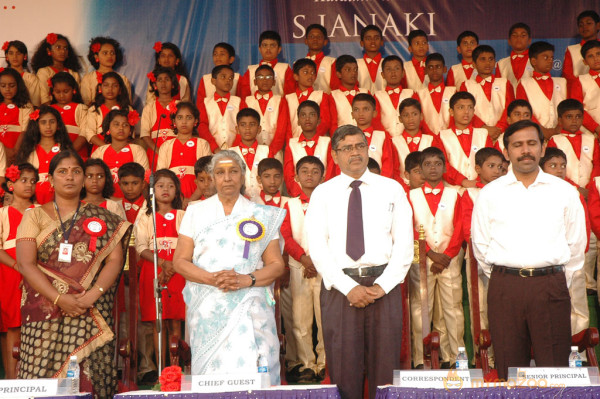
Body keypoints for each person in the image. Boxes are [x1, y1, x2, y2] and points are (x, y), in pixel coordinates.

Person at [471, 119, 587, 379]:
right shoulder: (490, 193)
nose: (525, 150)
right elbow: (481, 245)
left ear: (543, 148)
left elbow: (577, 244)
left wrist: (555, 277)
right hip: (505, 289)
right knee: (510, 368)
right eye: (518, 145)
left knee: (555, 368)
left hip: (551, 286)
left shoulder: (564, 192)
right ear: (507, 151)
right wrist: (507, 277)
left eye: (532, 143)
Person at [305, 125, 413, 399]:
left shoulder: (392, 189)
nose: (355, 152)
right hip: (340, 289)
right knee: (343, 366)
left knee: (385, 366)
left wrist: (383, 286)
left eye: (360, 146)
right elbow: (317, 247)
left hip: (383, 286)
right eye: (347, 148)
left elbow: (404, 244)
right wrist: (348, 287)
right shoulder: (322, 193)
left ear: (368, 149)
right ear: (335, 155)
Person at [16, 150, 132, 397]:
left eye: (76, 171)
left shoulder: (104, 219)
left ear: (83, 179)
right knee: (40, 376)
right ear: (51, 179)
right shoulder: (33, 216)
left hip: (89, 308)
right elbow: (26, 264)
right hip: (43, 311)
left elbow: (115, 259)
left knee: (91, 377)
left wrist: (91, 296)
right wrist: (60, 299)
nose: (70, 177)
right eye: (62, 171)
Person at [173, 150, 285, 384]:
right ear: (212, 177)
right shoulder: (195, 211)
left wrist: (246, 279)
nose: (227, 178)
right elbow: (180, 261)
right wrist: (212, 278)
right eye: (220, 172)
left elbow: (276, 265)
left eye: (233, 171)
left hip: (250, 300)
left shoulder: (261, 214)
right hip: (208, 303)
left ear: (243, 176)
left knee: (256, 373)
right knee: (212, 378)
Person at [408, 147, 465, 369]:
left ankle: (455, 356)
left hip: (450, 259)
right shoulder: (410, 196)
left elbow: (460, 227)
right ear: (420, 169)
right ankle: (421, 358)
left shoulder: (454, 194)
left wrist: (446, 256)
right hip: (421, 259)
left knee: (453, 308)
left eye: (437, 164)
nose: (433, 168)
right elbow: (408, 227)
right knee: (420, 308)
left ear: (444, 167)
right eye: (428, 164)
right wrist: (431, 254)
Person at [281, 156, 326, 383]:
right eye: (304, 171)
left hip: (323, 268)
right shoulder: (289, 204)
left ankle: (325, 363)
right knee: (300, 319)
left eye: (315, 171)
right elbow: (286, 236)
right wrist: (302, 258)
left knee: (324, 317)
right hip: (299, 266)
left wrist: (315, 261)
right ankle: (307, 364)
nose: (309, 175)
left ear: (323, 176)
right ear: (296, 177)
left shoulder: (329, 203)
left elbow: (333, 235)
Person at [136, 169, 186, 369]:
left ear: (177, 191)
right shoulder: (146, 217)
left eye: (171, 186)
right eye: (160, 186)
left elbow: (188, 243)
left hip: (179, 270)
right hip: (153, 270)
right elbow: (141, 247)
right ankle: (160, 370)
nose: (166, 189)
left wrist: (172, 266)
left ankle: (176, 368)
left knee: (175, 320)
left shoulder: (183, 215)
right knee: (159, 322)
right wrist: (164, 264)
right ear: (151, 190)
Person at [540, 147, 590, 342]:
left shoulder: (573, 192)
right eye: (553, 165)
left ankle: (579, 346)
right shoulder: (536, 193)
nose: (559, 170)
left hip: (572, 255)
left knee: (577, 301)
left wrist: (579, 253)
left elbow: (583, 225)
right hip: (549, 258)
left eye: (562, 166)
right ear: (542, 167)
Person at [0, 163, 37, 379]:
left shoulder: (41, 210)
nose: (29, 185)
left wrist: (31, 271)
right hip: (10, 272)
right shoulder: (3, 213)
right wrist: (19, 267)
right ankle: (12, 381)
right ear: (11, 184)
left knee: (37, 323)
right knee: (13, 325)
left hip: (37, 272)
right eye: (24, 180)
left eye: (33, 181)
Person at [16, 105, 75, 204]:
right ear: (36, 125)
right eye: (43, 122)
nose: (48, 126)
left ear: (58, 124)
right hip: (33, 201)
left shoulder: (65, 149)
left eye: (52, 122)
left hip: (62, 200)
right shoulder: (28, 150)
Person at [156, 102, 211, 199]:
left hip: (198, 197)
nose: (184, 121)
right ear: (174, 121)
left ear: (195, 121)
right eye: (180, 117)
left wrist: (191, 200)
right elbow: (161, 177)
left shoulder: (202, 144)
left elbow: (207, 177)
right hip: (172, 198)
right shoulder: (166, 146)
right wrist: (178, 200)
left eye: (189, 117)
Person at [438, 92, 494, 187]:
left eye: (470, 107)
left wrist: (478, 182)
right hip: (452, 190)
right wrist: (463, 181)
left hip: (481, 187)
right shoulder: (442, 136)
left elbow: (490, 161)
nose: (466, 111)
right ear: (451, 111)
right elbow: (441, 164)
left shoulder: (483, 134)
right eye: (461, 107)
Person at [91, 109, 149, 198]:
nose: (121, 128)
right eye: (116, 124)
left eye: (125, 125)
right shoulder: (100, 152)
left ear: (130, 130)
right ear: (108, 129)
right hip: (106, 201)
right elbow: (92, 179)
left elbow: (145, 179)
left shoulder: (137, 150)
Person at [460, 45, 513, 140]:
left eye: (491, 59)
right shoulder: (466, 85)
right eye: (483, 59)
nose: (487, 63)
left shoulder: (505, 83)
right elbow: (464, 110)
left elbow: (510, 108)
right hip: (476, 134)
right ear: (474, 64)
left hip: (502, 134)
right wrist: (483, 128)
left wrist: (499, 129)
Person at [516, 41, 566, 138]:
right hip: (535, 133)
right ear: (534, 61)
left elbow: (566, 108)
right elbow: (523, 110)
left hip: (559, 133)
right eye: (545, 57)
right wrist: (540, 129)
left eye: (552, 58)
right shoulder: (524, 83)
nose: (550, 60)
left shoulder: (562, 82)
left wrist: (559, 127)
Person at [284, 100, 335, 196]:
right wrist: (299, 194)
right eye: (303, 115)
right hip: (299, 196)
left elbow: (331, 171)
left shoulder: (328, 142)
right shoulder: (291, 144)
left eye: (312, 115)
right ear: (298, 121)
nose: (307, 119)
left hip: (324, 194)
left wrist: (324, 192)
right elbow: (288, 174)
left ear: (319, 120)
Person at [199, 65, 247, 151]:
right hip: (211, 149)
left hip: (236, 149)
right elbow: (202, 126)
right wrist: (214, 147)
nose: (228, 81)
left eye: (231, 78)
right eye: (223, 77)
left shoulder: (239, 102)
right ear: (213, 81)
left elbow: (243, 125)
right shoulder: (205, 103)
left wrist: (235, 147)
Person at [351, 94, 398, 180]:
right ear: (352, 114)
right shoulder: (347, 137)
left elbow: (388, 164)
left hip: (378, 183)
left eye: (366, 109)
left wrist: (381, 184)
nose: (361, 113)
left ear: (374, 113)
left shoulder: (382, 136)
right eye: (356, 110)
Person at [244, 65, 289, 156]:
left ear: (274, 82)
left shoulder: (280, 101)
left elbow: (282, 129)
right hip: (252, 151)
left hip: (275, 152)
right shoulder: (246, 101)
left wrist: (272, 150)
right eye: (260, 77)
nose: (265, 80)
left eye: (269, 77)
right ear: (255, 81)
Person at [236, 30, 295, 98]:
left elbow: (290, 94)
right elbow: (244, 95)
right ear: (260, 49)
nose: (268, 48)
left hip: (278, 107)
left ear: (279, 49)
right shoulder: (251, 70)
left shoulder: (285, 69)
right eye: (265, 45)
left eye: (272, 45)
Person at [229, 108, 272, 200]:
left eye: (252, 124)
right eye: (243, 125)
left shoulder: (267, 151)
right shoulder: (230, 153)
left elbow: (272, 177)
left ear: (259, 129)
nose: (247, 128)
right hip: (238, 202)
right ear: (237, 129)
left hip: (264, 202)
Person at [84, 72, 134, 149]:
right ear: (100, 88)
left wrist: (118, 148)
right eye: (106, 85)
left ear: (120, 89)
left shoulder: (127, 109)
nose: (110, 89)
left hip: (122, 148)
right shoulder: (94, 109)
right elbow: (89, 133)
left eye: (114, 86)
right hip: (100, 148)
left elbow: (131, 134)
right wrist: (108, 148)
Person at [286, 59, 333, 139]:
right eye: (305, 72)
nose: (310, 75)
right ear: (296, 76)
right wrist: (290, 143)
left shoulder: (322, 96)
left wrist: (312, 137)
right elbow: (287, 125)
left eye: (312, 73)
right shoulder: (288, 98)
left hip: (318, 142)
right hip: (295, 143)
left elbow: (325, 121)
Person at [140, 66, 179, 162]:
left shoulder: (180, 105)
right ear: (155, 85)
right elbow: (145, 135)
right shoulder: (149, 108)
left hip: (176, 150)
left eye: (167, 79)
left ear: (173, 84)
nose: (163, 83)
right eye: (160, 80)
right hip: (155, 151)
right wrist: (158, 151)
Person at [31, 33, 82, 105]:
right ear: (49, 51)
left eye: (65, 48)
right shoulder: (44, 72)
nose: (62, 51)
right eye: (58, 47)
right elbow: (44, 99)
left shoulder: (74, 74)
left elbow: (78, 98)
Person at [80, 36, 131, 106]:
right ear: (96, 57)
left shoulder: (123, 79)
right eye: (105, 53)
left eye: (112, 53)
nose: (109, 56)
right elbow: (85, 104)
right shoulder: (88, 79)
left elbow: (127, 103)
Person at [374, 55, 416, 138]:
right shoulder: (377, 96)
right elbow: (375, 121)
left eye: (397, 68)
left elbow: (417, 119)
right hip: (385, 139)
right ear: (382, 74)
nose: (393, 72)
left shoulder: (411, 94)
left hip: (407, 139)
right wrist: (386, 138)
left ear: (403, 73)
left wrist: (404, 137)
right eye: (388, 69)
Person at [49, 72, 89, 159]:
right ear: (52, 92)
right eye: (57, 92)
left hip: (77, 154)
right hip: (53, 155)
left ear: (74, 90)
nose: (62, 95)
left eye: (66, 91)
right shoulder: (48, 110)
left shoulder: (81, 108)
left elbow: (84, 133)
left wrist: (70, 152)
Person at [417, 53, 456, 135]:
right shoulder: (418, 94)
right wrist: (431, 136)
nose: (434, 70)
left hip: (450, 137)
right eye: (431, 67)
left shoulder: (453, 92)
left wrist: (447, 135)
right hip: (427, 138)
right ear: (425, 70)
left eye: (438, 67)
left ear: (444, 69)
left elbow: (456, 116)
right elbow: (419, 119)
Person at [0, 67, 32, 160]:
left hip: (19, 149)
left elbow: (25, 129)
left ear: (18, 85)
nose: (7, 89)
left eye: (12, 85)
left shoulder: (26, 105)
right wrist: (4, 150)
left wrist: (15, 150)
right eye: (3, 86)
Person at [569, 39, 600, 135]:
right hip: (590, 133)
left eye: (598, 54)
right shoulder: (579, 81)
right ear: (585, 61)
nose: (596, 58)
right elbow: (577, 108)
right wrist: (596, 128)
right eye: (591, 56)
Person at [563, 10, 600, 87]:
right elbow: (568, 76)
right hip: (580, 91)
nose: (584, 27)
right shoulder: (571, 50)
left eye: (588, 23)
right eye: (581, 25)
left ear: (598, 25)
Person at [330, 55, 369, 127]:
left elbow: (372, 119)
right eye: (348, 70)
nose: (353, 73)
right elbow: (333, 123)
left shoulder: (366, 93)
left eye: (355, 70)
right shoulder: (333, 95)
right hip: (342, 136)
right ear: (338, 74)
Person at [495, 23, 533, 91]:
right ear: (509, 41)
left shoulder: (535, 61)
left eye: (523, 35)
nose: (518, 38)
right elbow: (498, 89)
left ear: (529, 40)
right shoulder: (501, 63)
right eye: (515, 35)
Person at [3, 40, 41, 106]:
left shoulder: (30, 78)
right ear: (7, 56)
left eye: (18, 53)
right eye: (11, 53)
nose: (14, 57)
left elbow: (35, 103)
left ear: (25, 56)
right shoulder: (2, 76)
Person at [303, 24, 336, 93]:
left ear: (325, 42)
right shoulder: (298, 63)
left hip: (326, 102)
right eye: (311, 36)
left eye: (319, 37)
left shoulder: (332, 62)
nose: (315, 39)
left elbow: (336, 89)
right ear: (306, 41)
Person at [356, 25, 386, 93]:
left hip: (385, 102)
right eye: (368, 39)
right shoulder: (355, 64)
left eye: (376, 38)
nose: (373, 41)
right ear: (362, 43)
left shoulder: (388, 63)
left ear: (381, 42)